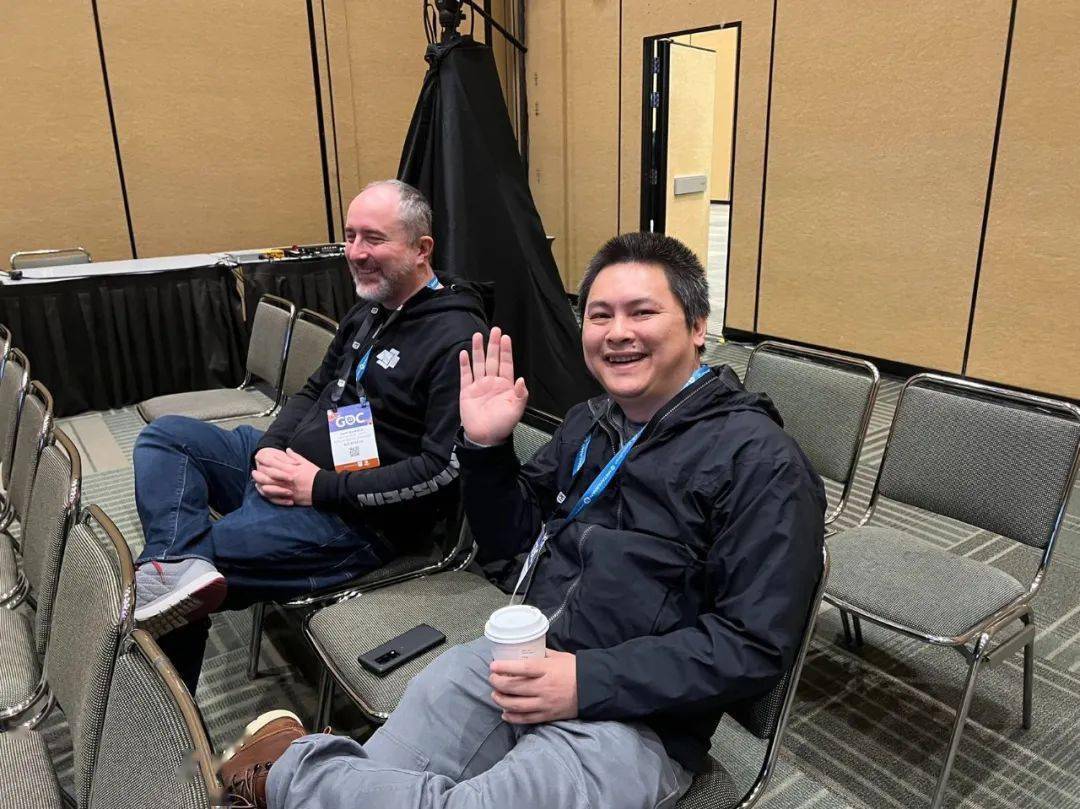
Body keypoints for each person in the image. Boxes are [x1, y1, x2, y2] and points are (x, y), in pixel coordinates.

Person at [218, 231, 826, 809]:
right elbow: (510, 542)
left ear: (697, 327)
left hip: (638, 720)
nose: (617, 333)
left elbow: (753, 646)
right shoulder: (591, 422)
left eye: (642, 313)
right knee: (391, 766)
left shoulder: (762, 463)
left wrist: (587, 679)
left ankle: (286, 768)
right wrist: (485, 449)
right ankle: (299, 772)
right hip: (522, 658)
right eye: (599, 315)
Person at [131, 180, 487, 693]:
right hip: (296, 465)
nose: (356, 252)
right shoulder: (370, 309)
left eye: (374, 238)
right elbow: (318, 387)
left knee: (198, 571)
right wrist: (271, 448)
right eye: (350, 236)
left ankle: (160, 724)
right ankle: (170, 562)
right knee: (168, 438)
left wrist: (318, 487)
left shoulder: (459, 339)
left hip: (354, 518)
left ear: (421, 249)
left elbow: (443, 471)